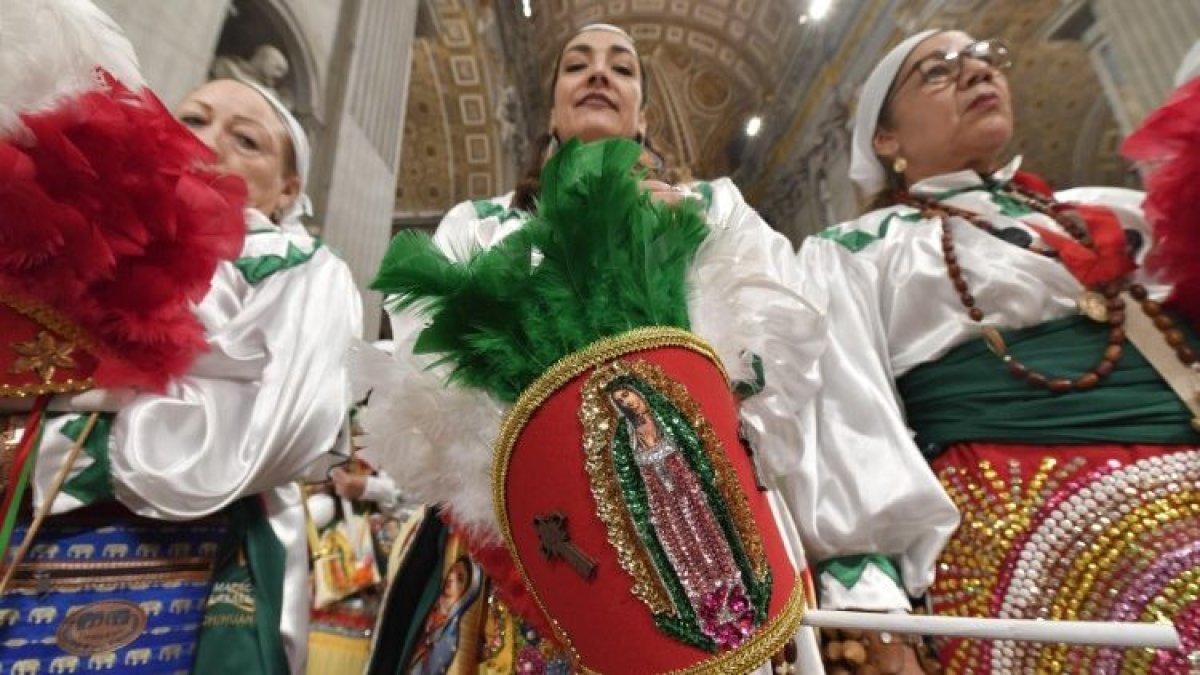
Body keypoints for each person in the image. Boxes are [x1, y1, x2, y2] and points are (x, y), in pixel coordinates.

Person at [361, 22, 824, 675]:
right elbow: (429, 371)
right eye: (577, 64)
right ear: (551, 114)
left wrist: (684, 248)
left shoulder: (712, 206)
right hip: (524, 549)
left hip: (696, 516)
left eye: (622, 67)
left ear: (644, 117)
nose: (599, 74)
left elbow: (786, 336)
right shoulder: (482, 224)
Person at [790, 28, 1200, 673]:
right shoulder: (861, 250)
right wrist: (875, 612)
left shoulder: (1103, 211)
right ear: (885, 140)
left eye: (985, 59)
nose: (976, 72)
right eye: (938, 71)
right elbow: (847, 418)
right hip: (1024, 516)